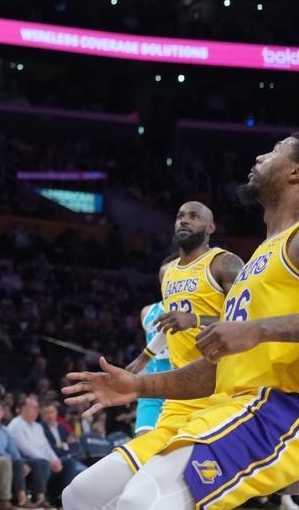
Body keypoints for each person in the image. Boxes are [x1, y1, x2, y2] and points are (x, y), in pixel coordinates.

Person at [63, 133, 299, 510]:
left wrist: (257, 329)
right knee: (81, 495)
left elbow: (249, 337)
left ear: (295, 173)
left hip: (278, 407)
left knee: (141, 502)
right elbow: (218, 368)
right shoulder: (261, 254)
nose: (259, 156)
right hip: (217, 402)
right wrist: (139, 385)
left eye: (274, 151)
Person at [61, 201, 242, 506]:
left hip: (221, 397)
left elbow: (251, 322)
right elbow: (168, 326)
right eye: (180, 215)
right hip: (177, 399)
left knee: (138, 502)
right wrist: (139, 362)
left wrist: (197, 320)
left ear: (210, 227)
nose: (185, 220)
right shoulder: (168, 273)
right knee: (76, 495)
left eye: (194, 216)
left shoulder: (225, 263)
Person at [123, 259, 176, 436]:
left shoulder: (192, 310)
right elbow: (150, 349)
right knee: (142, 442)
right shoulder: (147, 312)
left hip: (183, 386)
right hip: (152, 389)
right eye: (164, 278)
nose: (168, 281)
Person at [0, 402, 38, 509]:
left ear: (3, 413)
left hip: (4, 458)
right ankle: (17, 499)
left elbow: (12, 448)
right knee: (8, 461)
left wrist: (20, 461)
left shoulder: (5, 429)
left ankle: (28, 499)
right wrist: (13, 460)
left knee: (22, 462)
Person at [7, 397, 59, 506]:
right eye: (34, 407)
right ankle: (39, 498)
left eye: (37, 407)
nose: (37, 410)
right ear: (23, 408)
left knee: (68, 463)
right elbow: (25, 448)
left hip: (40, 459)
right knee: (41, 463)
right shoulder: (16, 424)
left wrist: (55, 460)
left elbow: (47, 447)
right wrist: (48, 460)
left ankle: (62, 499)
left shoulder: (38, 426)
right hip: (23, 458)